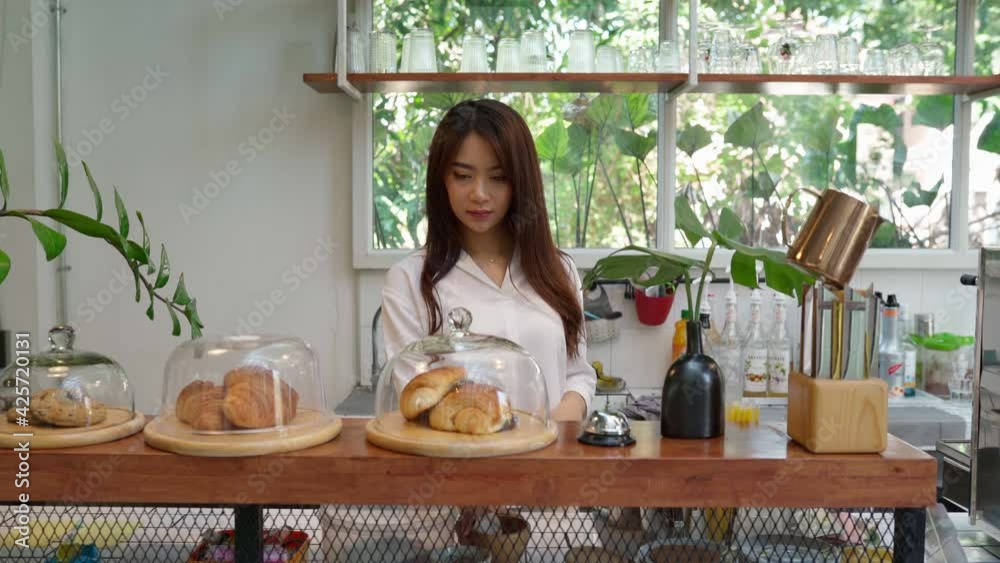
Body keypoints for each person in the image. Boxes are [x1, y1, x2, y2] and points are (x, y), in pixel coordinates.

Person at [380, 99, 596, 422]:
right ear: (442, 179)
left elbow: (578, 374)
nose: (480, 193)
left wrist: (552, 428)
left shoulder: (558, 270)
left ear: (520, 182)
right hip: (462, 452)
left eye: (498, 177)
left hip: (552, 451)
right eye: (463, 176)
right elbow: (417, 398)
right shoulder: (409, 280)